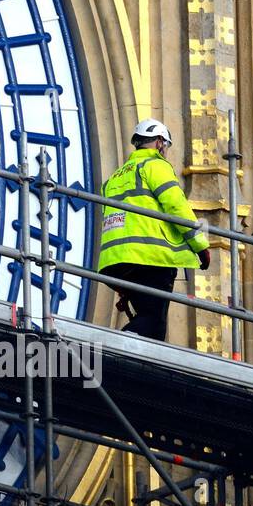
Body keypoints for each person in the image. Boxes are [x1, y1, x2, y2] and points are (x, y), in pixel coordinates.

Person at [97, 119, 210, 341]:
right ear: (159, 142)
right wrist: (200, 246)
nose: (165, 151)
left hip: (115, 263)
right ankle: (113, 351)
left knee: (148, 320)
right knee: (153, 323)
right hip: (149, 258)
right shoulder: (155, 166)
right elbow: (177, 207)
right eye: (165, 146)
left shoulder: (113, 179)